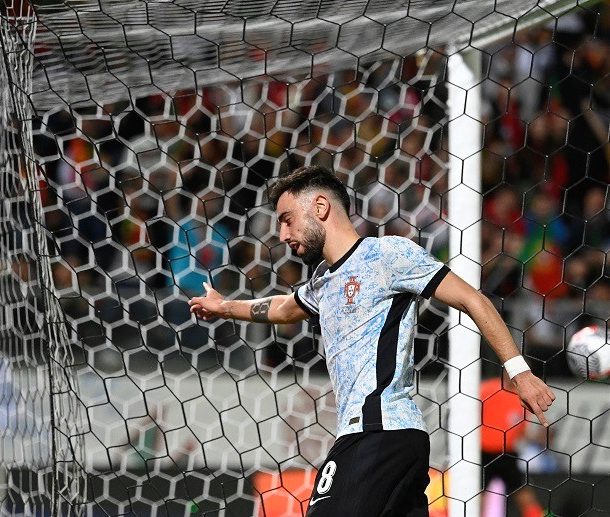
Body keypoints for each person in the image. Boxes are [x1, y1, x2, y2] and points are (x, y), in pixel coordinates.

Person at [189, 166, 556, 516]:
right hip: (394, 439)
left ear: (320, 207)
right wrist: (225, 307)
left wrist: (519, 371)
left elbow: (473, 299)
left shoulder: (387, 255)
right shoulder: (322, 280)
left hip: (378, 431)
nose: (283, 235)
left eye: (287, 219)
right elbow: (285, 308)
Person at [480, 374, 547, 517]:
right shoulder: (487, 389)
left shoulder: (523, 398)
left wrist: (536, 438)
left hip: (507, 454)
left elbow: (520, 432)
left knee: (525, 496)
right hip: (482, 454)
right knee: (477, 498)